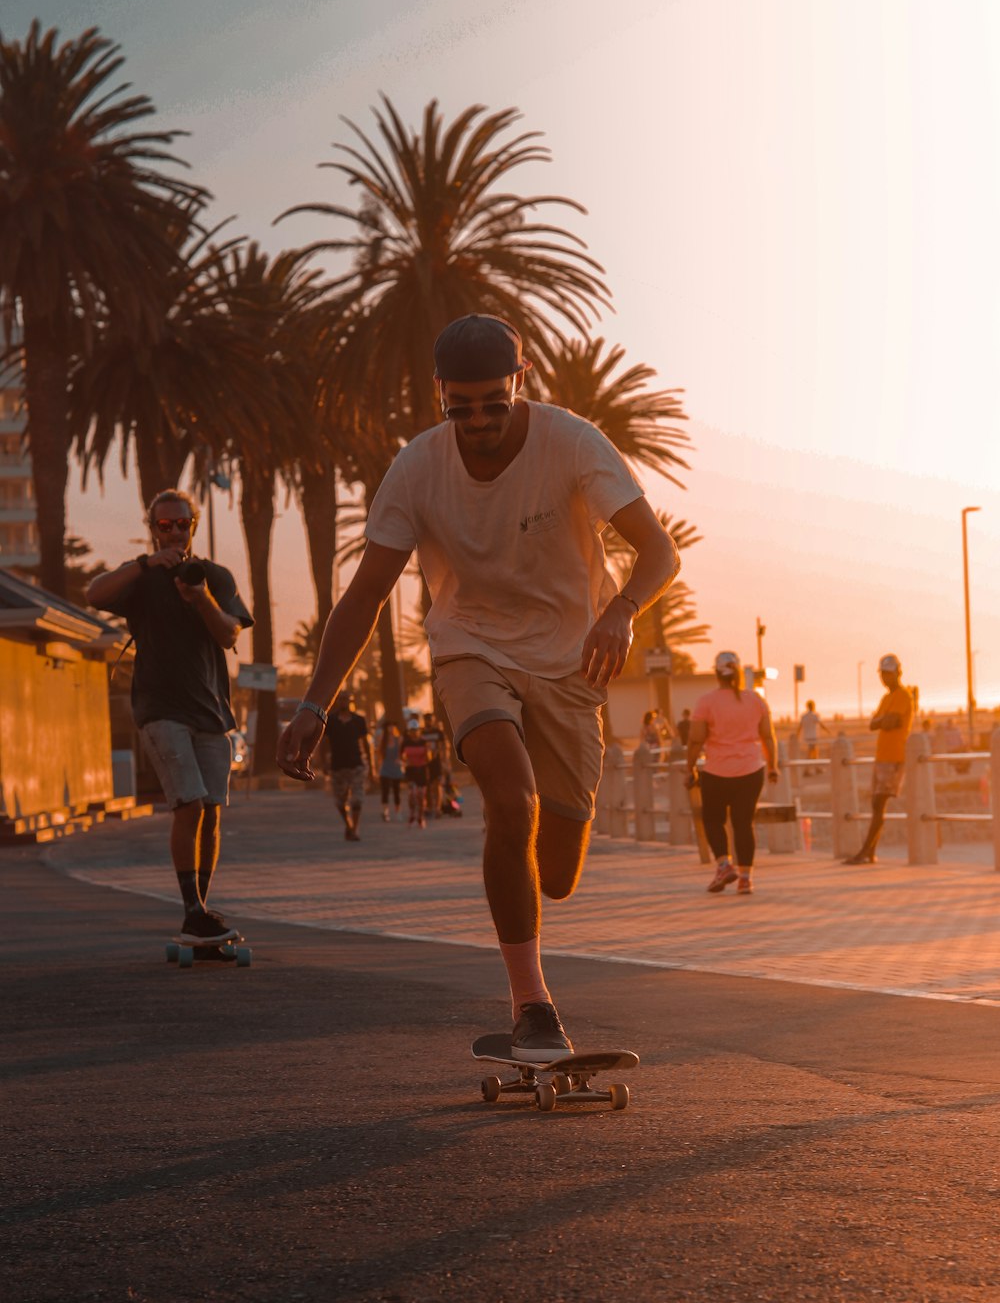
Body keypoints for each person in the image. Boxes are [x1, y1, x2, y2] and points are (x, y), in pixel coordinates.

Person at [277, 312, 679, 1052]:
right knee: (510, 798)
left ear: (519, 382)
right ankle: (532, 1004)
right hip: (470, 650)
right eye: (461, 407)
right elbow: (365, 594)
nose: (481, 421)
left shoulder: (572, 443)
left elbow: (658, 552)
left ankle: (530, 923)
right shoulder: (417, 469)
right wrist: (314, 702)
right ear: (439, 396)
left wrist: (621, 610)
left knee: (556, 873)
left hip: (568, 664)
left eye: (495, 401)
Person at [85, 488, 253, 943]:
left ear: (194, 526)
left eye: (183, 524)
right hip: (160, 709)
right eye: (165, 525)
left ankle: (198, 912)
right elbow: (93, 592)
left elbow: (228, 634)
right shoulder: (140, 578)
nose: (175, 532)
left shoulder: (214, 577)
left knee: (212, 812)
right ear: (153, 528)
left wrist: (199, 598)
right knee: (190, 803)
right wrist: (143, 565)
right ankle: (192, 910)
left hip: (212, 712)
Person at [684, 652, 779, 895]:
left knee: (713, 820)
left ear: (716, 674)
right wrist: (773, 766)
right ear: (737, 673)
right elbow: (768, 736)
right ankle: (746, 879)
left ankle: (724, 865)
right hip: (751, 771)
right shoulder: (755, 700)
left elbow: (695, 741)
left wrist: (690, 768)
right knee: (744, 824)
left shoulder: (706, 702)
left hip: (716, 773)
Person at [844, 653, 913, 864]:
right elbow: (874, 723)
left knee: (879, 803)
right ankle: (870, 852)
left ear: (897, 673)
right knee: (876, 804)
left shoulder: (903, 695)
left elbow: (893, 721)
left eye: (888, 674)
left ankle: (866, 850)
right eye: (882, 674)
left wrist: (883, 720)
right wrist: (884, 720)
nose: (885, 678)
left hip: (894, 757)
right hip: (882, 756)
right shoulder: (886, 698)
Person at [325, 691, 375, 841]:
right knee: (340, 801)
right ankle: (348, 824)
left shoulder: (359, 720)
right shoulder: (331, 720)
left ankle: (354, 829)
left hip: (357, 764)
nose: (343, 702)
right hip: (337, 765)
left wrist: (371, 766)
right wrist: (323, 762)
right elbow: (324, 743)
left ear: (351, 701)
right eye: (340, 700)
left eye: (346, 700)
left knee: (357, 799)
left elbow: (366, 743)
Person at [400, 720, 430, 827]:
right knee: (412, 794)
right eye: (412, 730)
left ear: (419, 731)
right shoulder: (405, 742)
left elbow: (428, 758)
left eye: (416, 730)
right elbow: (401, 756)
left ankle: (421, 817)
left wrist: (428, 753)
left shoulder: (423, 742)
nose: (414, 732)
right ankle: (412, 813)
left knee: (421, 795)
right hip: (410, 771)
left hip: (421, 770)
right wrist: (404, 761)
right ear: (409, 731)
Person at [422, 710, 450, 818]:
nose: (428, 722)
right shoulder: (422, 733)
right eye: (426, 720)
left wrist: (445, 761)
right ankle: (429, 807)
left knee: (437, 784)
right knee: (427, 785)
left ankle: (438, 808)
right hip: (425, 762)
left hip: (437, 761)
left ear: (433, 720)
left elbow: (444, 747)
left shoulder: (438, 732)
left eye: (430, 719)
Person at [377, 721, 404, 822]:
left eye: (392, 727)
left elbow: (403, 753)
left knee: (397, 792)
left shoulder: (399, 739)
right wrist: (378, 768)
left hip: (396, 768)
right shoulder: (383, 740)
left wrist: (400, 759)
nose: (391, 729)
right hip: (385, 769)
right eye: (389, 727)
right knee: (385, 791)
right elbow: (379, 755)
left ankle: (398, 812)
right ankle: (386, 812)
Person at [798, 698, 830, 775]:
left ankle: (817, 768)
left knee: (815, 754)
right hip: (813, 737)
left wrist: (797, 735)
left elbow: (800, 726)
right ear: (812, 706)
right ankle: (806, 770)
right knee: (810, 754)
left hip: (807, 737)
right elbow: (820, 724)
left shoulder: (804, 716)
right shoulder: (815, 715)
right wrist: (827, 731)